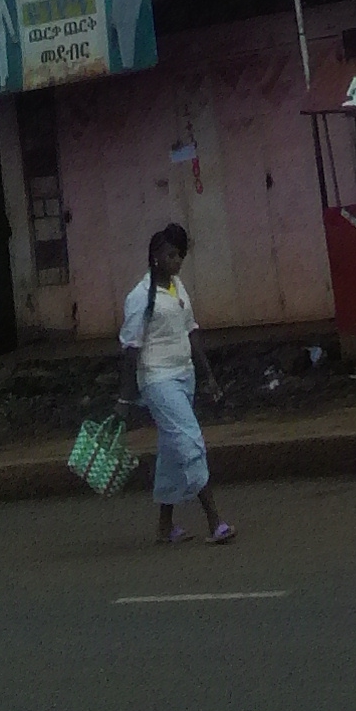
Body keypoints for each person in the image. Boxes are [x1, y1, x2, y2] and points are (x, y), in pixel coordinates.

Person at [118, 224, 234, 545]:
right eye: (171, 254)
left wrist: (208, 376)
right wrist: (125, 399)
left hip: (185, 375)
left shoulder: (177, 287)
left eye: (180, 255)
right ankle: (215, 521)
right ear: (155, 256)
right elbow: (130, 349)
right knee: (190, 442)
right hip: (157, 380)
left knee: (171, 452)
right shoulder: (139, 297)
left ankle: (165, 527)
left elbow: (191, 331)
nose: (177, 260)